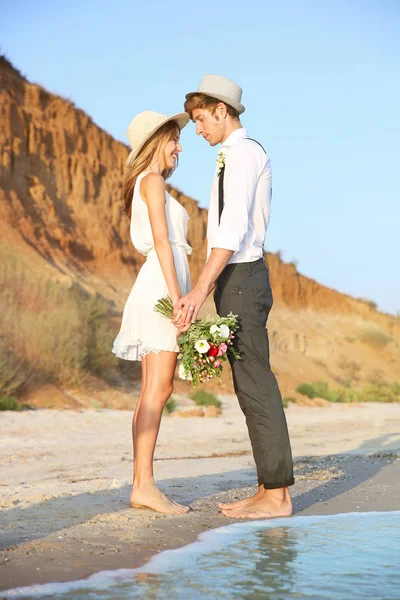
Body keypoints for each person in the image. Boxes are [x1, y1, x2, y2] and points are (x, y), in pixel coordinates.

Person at [174, 74, 294, 519]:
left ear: (222, 111)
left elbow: (231, 232)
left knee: (256, 385)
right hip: (235, 278)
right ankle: (268, 488)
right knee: (249, 388)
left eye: (201, 118)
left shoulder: (243, 154)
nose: (198, 129)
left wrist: (198, 292)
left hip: (241, 276)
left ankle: (278, 496)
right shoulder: (231, 155)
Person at [112, 110, 192, 515]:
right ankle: (143, 485)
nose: (180, 147)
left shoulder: (146, 183)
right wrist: (180, 298)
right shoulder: (154, 180)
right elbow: (162, 241)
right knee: (157, 390)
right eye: (174, 138)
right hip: (162, 287)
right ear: (155, 142)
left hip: (159, 283)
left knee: (155, 390)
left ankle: (142, 483)